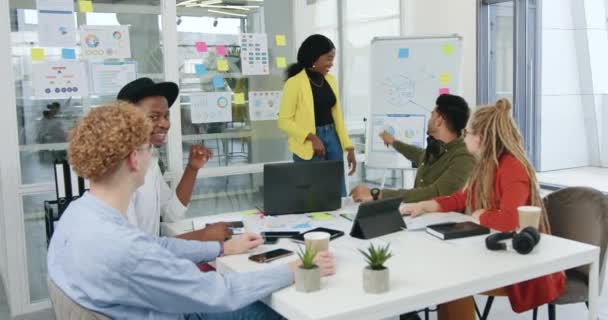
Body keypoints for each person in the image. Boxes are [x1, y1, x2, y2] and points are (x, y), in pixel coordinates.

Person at [47, 102, 336, 319]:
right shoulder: (125, 249)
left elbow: (153, 244)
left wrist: (221, 249)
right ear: (135, 159)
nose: (151, 156)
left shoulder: (78, 215)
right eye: (149, 149)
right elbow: (222, 293)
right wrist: (294, 268)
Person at [401, 98, 565, 320]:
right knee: (444, 269)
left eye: (467, 132)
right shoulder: (486, 164)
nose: (463, 136)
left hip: (520, 267)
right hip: (495, 253)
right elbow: (463, 198)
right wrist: (425, 205)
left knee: (450, 275)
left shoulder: (512, 167)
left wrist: (481, 215)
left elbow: (510, 221)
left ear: (480, 138)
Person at [117, 78, 230, 240]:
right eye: (153, 117)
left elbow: (171, 214)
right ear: (128, 120)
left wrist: (192, 169)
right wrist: (202, 236)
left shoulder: (149, 159)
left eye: (166, 116)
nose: (165, 124)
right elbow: (133, 247)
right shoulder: (119, 170)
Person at [350, 94, 475, 203]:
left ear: (439, 121)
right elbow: (419, 154)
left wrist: (377, 194)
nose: (429, 119)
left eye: (432, 115)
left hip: (442, 223)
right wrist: (394, 142)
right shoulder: (438, 147)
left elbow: (434, 193)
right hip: (421, 215)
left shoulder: (463, 157)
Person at [278, 34, 356, 196]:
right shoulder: (294, 83)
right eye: (328, 58)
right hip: (309, 143)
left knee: (337, 191)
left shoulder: (331, 81)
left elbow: (338, 117)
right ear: (315, 57)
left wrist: (349, 147)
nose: (331, 64)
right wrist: (312, 138)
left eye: (332, 58)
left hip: (332, 137)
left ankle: (339, 221)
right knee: (312, 194)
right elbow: (284, 121)